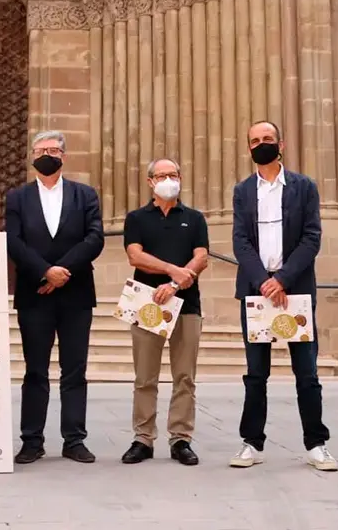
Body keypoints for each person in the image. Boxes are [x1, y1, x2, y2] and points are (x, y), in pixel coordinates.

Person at [230, 121, 336, 472]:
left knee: (306, 371)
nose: (261, 144)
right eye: (255, 141)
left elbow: (311, 237)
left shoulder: (304, 187)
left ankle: (316, 443)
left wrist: (283, 279)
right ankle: (252, 443)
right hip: (257, 292)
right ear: (248, 148)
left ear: (281, 144)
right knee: (256, 372)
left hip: (295, 292)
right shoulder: (243, 191)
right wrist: (263, 280)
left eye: (267, 139)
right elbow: (241, 241)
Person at [5, 131, 105, 464]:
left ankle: (74, 439)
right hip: (35, 294)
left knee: (74, 369)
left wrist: (63, 271)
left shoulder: (85, 194)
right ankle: (32, 440)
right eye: (41, 149)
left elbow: (94, 238)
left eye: (53, 150)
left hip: (76, 294)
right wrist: (45, 272)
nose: (47, 154)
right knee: (35, 370)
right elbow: (14, 242)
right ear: (32, 155)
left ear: (63, 155)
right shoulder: (17, 197)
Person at [120, 158, 209, 467]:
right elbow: (136, 255)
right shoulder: (137, 218)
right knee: (145, 376)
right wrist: (173, 272)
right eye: (162, 175)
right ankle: (142, 438)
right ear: (150, 182)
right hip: (147, 304)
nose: (168, 179)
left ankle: (180, 438)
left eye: (173, 174)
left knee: (185, 376)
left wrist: (176, 283)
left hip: (187, 305)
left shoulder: (195, 218)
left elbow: (201, 256)